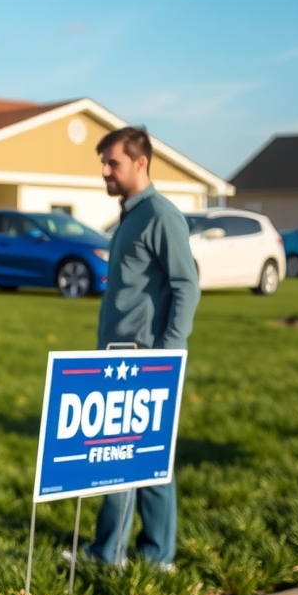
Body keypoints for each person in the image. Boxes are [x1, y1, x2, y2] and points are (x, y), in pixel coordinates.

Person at [80, 125, 200, 569]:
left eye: (113, 162)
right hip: (119, 359)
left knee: (128, 459)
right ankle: (148, 556)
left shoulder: (160, 215)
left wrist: (168, 353)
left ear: (140, 162)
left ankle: (120, 555)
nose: (105, 171)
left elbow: (187, 286)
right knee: (144, 460)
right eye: (104, 163)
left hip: (145, 360)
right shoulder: (132, 215)